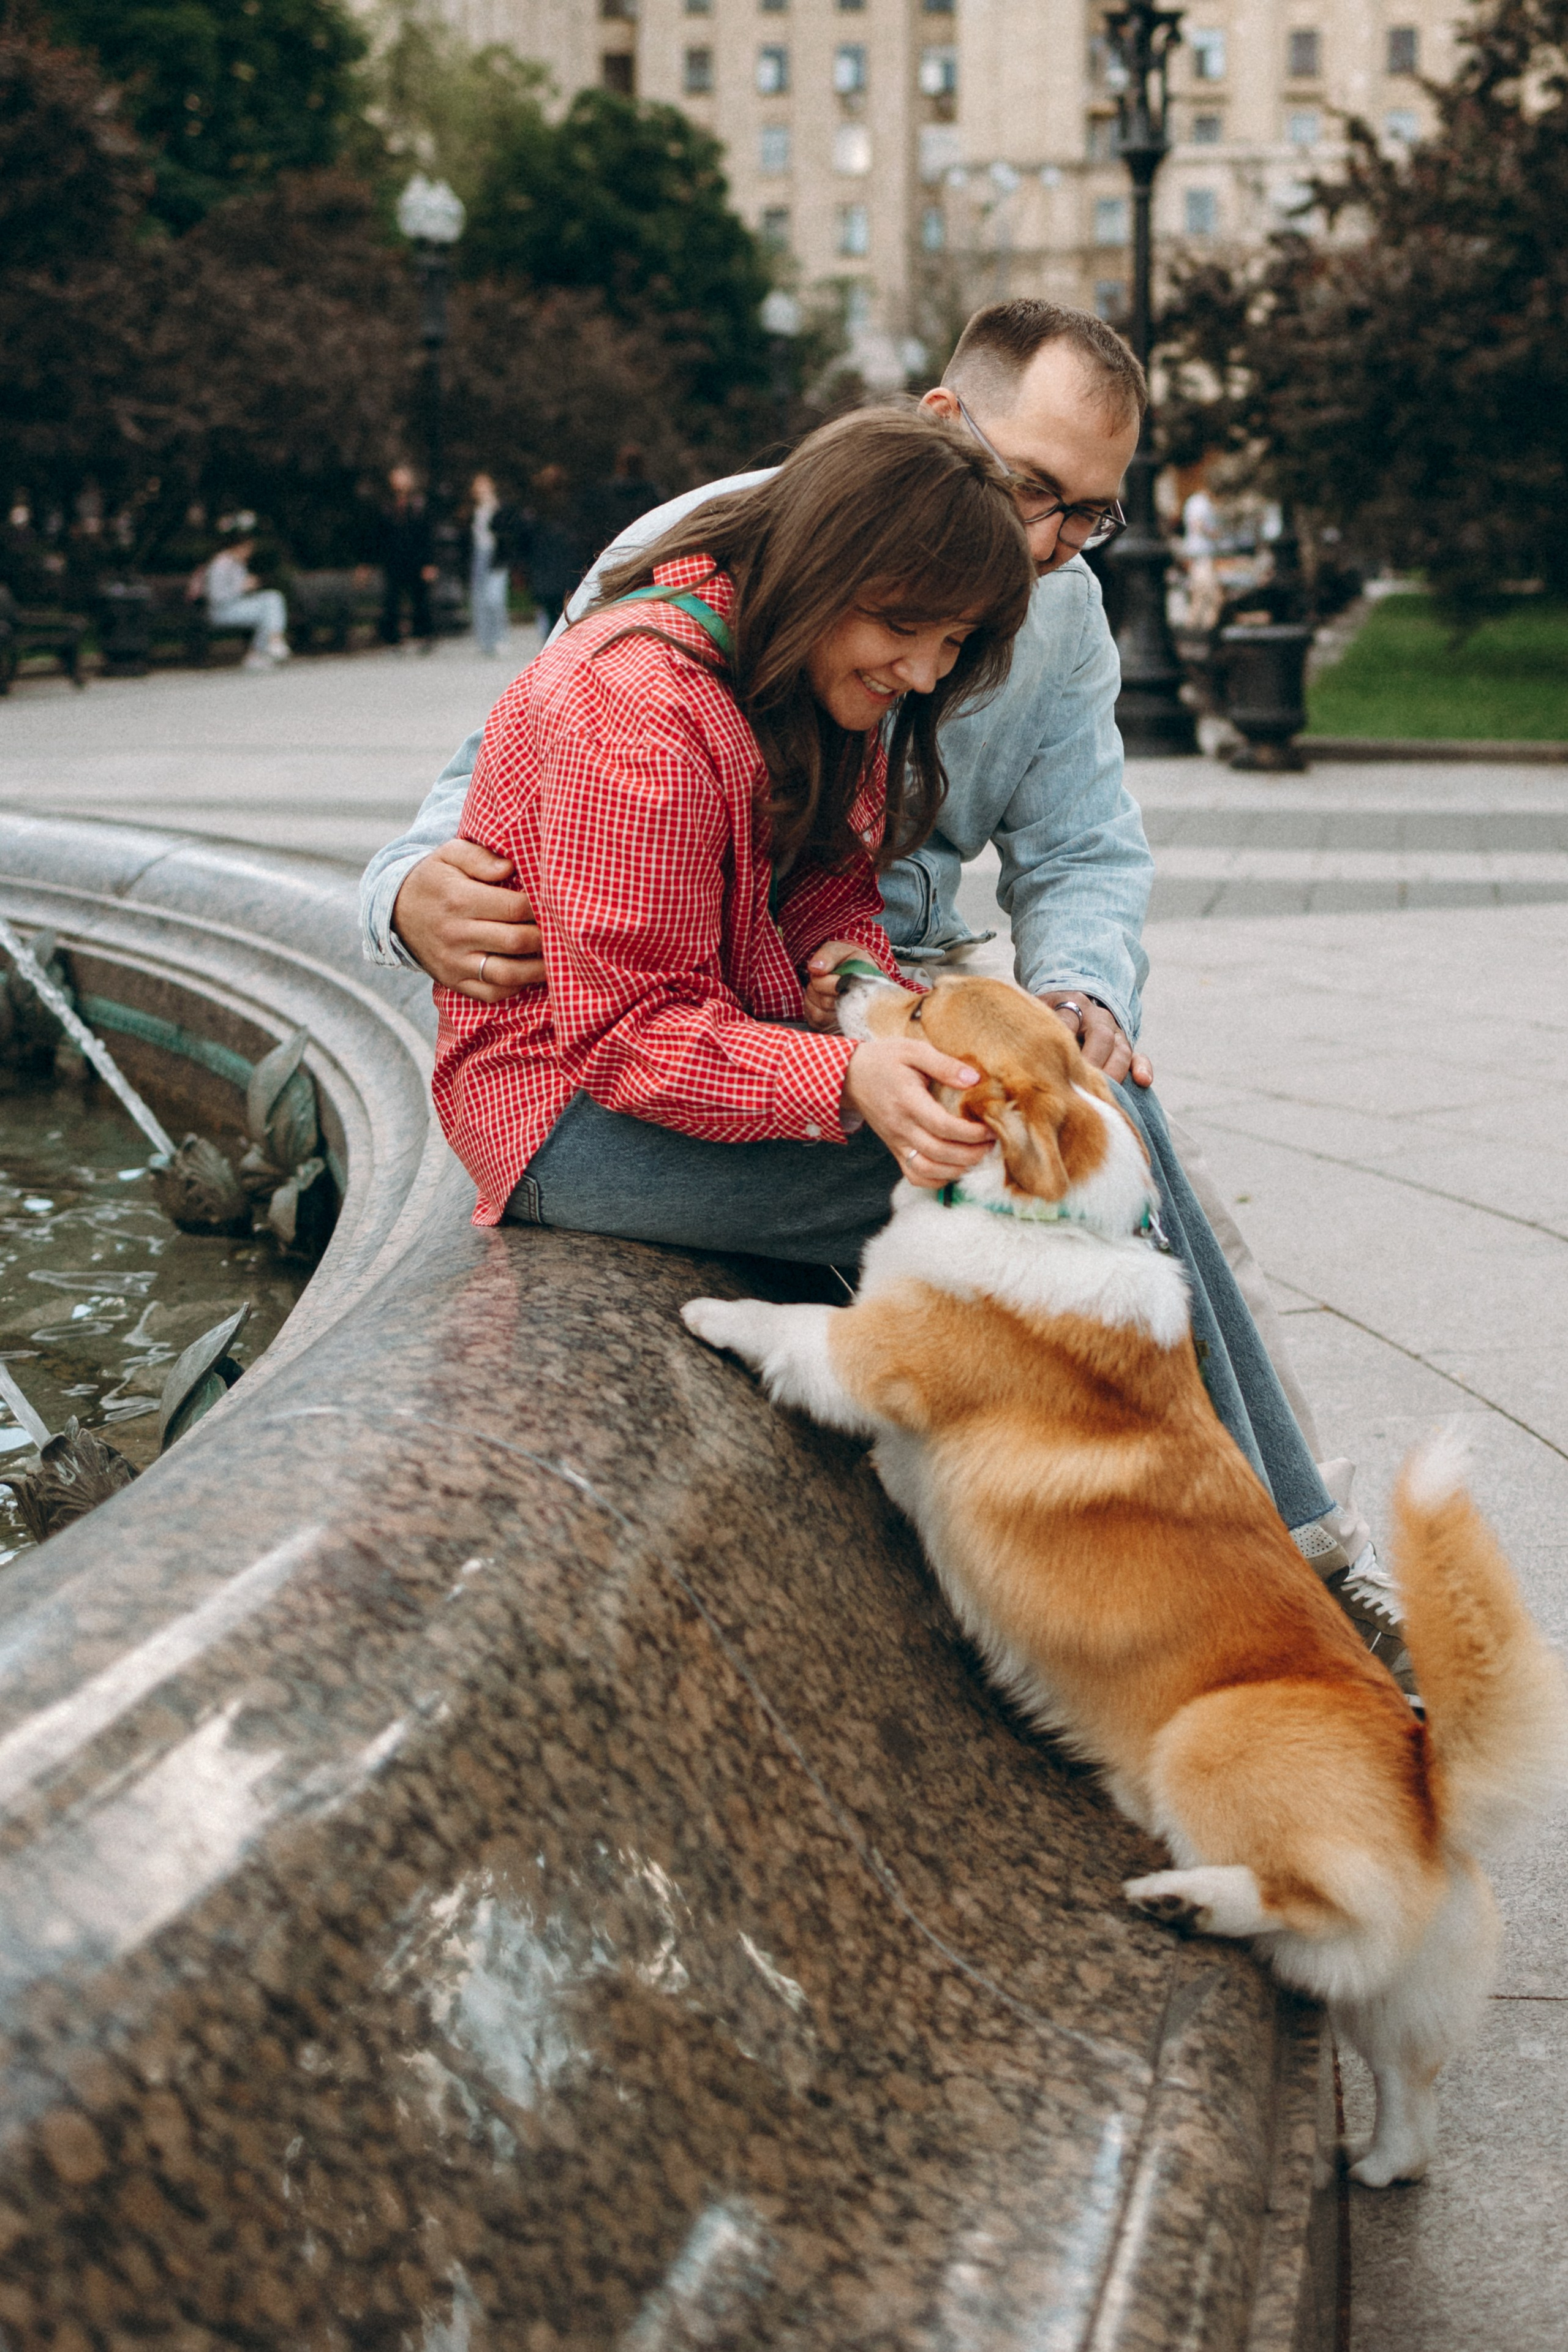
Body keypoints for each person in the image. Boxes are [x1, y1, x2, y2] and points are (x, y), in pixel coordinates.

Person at [361, 298, 1406, 1672]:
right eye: (1030, 489)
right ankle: (1267, 1583)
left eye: (1084, 515)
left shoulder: (890, 638)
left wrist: (909, 1004)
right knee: (1083, 1176)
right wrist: (401, 890)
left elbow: (906, 877)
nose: (1045, 544)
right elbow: (596, 976)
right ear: (936, 435)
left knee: (1092, 1130)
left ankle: (1246, 1560)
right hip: (588, 1088)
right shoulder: (674, 643)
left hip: (779, 1005)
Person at [433, 407, 1033, 1258]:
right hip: (563, 1112)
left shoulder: (813, 666)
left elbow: (831, 894)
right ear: (821, 568)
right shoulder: (639, 709)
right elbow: (626, 1035)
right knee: (1034, 1165)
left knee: (1099, 1126)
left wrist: (848, 969)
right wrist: (849, 1077)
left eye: (955, 641)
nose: (926, 672)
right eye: (903, 628)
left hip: (715, 1049)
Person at [520, 465, 589, 639]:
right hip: (567, 570)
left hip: (546, 571)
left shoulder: (535, 510)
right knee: (566, 617)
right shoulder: (574, 507)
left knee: (550, 618)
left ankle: (550, 650)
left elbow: (526, 542)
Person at [205, 534, 290, 671]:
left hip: (235, 606)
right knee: (270, 606)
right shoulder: (221, 564)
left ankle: (269, 646)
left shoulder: (236, 563)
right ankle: (270, 645)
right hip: (221, 611)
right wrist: (241, 587)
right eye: (248, 548)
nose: (250, 553)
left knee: (272, 600)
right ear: (238, 547)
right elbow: (216, 597)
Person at [377, 465, 437, 651]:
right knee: (392, 599)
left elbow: (428, 535)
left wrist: (430, 562)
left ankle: (423, 635)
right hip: (394, 560)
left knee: (420, 598)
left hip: (416, 559)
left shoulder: (420, 504)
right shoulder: (387, 505)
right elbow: (379, 535)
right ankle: (393, 639)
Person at [467, 472, 526, 660]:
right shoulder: (471, 510)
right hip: (479, 556)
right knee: (480, 599)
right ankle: (485, 640)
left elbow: (508, 532)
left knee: (495, 599)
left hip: (497, 557)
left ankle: (501, 637)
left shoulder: (500, 508)